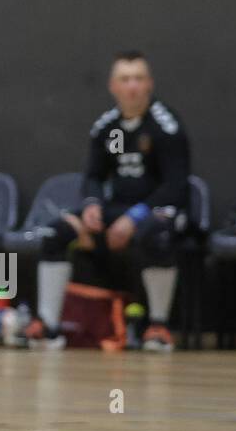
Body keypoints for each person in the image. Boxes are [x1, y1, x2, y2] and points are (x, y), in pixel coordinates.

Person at [24, 51, 190, 352]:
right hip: (118, 209)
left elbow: (176, 186)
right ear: (113, 86)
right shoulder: (106, 127)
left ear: (149, 84)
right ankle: (48, 326)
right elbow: (94, 177)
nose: (132, 87)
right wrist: (92, 205)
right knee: (56, 233)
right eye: (125, 79)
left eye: (138, 79)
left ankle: (158, 326)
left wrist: (135, 217)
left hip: (159, 209)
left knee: (157, 234)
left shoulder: (166, 126)